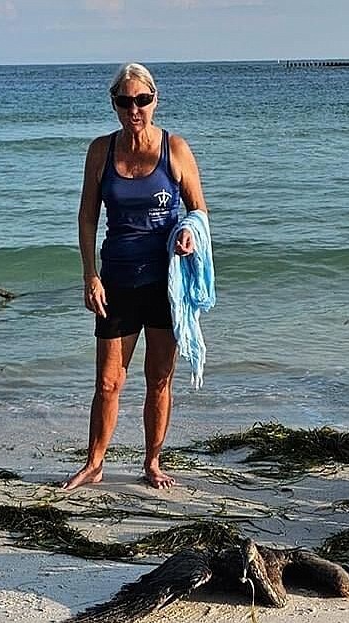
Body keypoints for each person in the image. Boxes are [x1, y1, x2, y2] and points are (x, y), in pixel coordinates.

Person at [62, 62, 208, 491]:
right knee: (108, 381)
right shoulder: (101, 151)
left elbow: (199, 210)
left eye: (142, 100)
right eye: (125, 101)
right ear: (115, 104)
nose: (134, 109)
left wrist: (187, 232)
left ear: (154, 100)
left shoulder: (174, 149)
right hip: (117, 282)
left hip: (166, 286)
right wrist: (90, 275)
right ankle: (94, 463)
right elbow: (88, 217)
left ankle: (153, 462)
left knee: (159, 378)